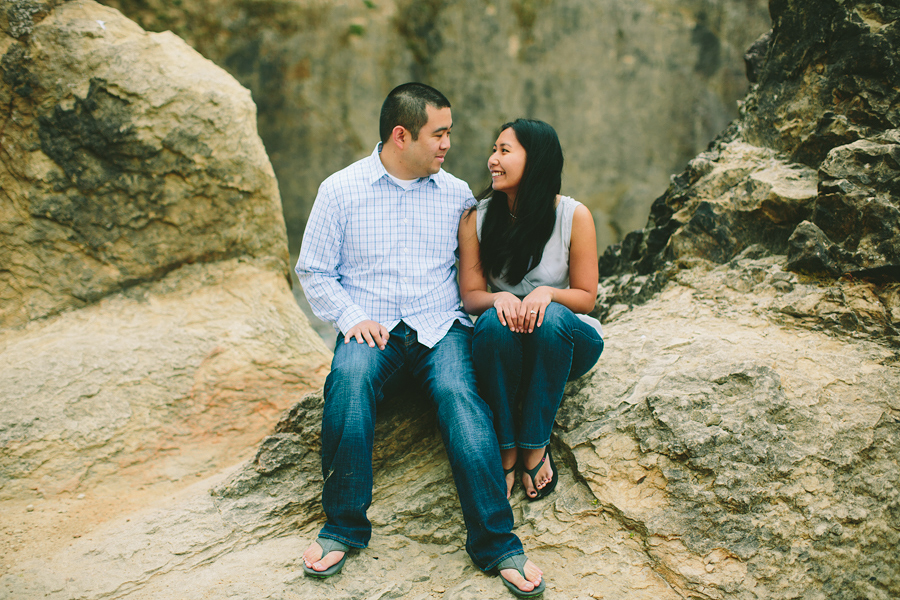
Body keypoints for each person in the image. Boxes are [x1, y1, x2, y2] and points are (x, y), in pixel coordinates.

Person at [295, 84, 545, 598]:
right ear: (401, 134)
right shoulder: (339, 190)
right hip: (373, 325)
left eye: (449, 133)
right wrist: (350, 317)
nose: (448, 144)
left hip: (440, 327)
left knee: (460, 398)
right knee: (346, 380)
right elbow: (314, 270)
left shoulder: (456, 195)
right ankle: (343, 526)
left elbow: (481, 266)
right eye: (440, 133)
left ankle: (497, 543)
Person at [458, 118, 604, 501]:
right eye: (494, 150)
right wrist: (498, 298)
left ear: (535, 160)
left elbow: (587, 297)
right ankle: (507, 448)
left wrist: (548, 295)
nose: (493, 159)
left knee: (553, 317)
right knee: (490, 322)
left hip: (566, 341)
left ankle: (534, 447)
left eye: (504, 151)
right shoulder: (477, 217)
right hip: (507, 341)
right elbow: (472, 295)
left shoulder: (574, 216)